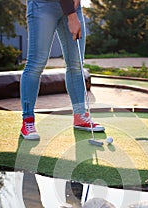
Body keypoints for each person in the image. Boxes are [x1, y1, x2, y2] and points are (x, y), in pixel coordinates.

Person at [20, 0, 105, 140]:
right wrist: (71, 16)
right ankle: (27, 121)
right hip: (43, 5)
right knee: (36, 63)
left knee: (76, 64)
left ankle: (80, 116)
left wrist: (74, 6)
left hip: (72, 5)